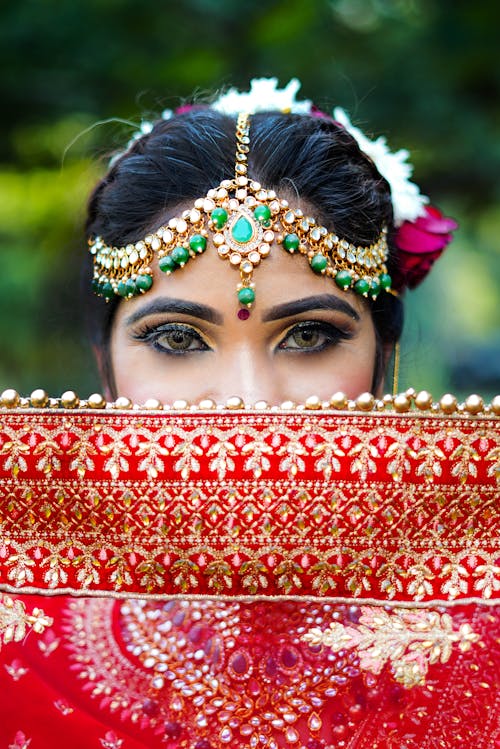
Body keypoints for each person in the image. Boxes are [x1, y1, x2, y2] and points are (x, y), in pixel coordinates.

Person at [0, 79, 498, 749]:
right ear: (104, 362)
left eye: (310, 335)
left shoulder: (480, 647)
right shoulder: (19, 656)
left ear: (385, 356)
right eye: (177, 338)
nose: (250, 399)